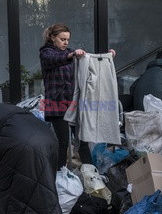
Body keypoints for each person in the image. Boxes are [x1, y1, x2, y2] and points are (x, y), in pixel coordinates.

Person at [39, 23, 116, 168]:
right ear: (52, 38)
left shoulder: (71, 52)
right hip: (56, 104)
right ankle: (60, 176)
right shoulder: (45, 53)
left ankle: (91, 175)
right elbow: (56, 59)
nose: (66, 42)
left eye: (67, 39)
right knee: (62, 142)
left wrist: (108, 57)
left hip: (73, 103)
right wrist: (72, 55)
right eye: (62, 39)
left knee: (82, 141)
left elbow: (91, 62)